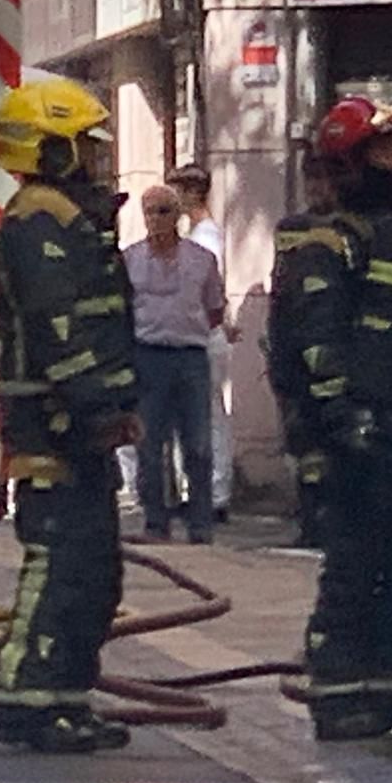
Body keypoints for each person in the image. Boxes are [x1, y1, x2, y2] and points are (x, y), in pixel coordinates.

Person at [0, 77, 141, 755]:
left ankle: (68, 699)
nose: (97, 160)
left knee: (94, 572)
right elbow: (57, 331)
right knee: (57, 564)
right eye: (86, 147)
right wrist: (93, 408)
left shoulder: (68, 218)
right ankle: (22, 699)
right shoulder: (37, 222)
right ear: (51, 150)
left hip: (83, 426)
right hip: (55, 426)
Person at [298, 96, 392, 742]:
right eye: (386, 150)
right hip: (353, 435)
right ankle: (336, 695)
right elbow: (315, 342)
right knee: (353, 568)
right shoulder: (326, 241)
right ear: (352, 161)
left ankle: (389, 689)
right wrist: (341, 417)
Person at [123, 184, 226, 544]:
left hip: (189, 357)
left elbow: (215, 309)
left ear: (178, 214)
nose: (156, 219)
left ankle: (200, 524)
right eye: (149, 211)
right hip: (147, 356)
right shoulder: (130, 259)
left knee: (197, 444)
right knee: (149, 445)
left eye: (164, 211)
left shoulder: (202, 259)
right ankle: (156, 522)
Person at [265, 151, 344, 549]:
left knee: (339, 443)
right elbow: (280, 292)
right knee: (305, 445)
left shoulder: (352, 228)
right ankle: (313, 521)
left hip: (333, 353)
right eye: (311, 180)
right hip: (293, 355)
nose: (316, 189)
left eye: (324, 180)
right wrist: (277, 353)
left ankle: (337, 521)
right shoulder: (290, 229)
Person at [165, 163, 234, 522]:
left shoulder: (204, 239)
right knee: (197, 417)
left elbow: (202, 293)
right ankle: (200, 490)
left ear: (192, 193)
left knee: (206, 418)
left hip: (202, 336)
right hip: (198, 334)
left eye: (175, 192)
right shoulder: (198, 237)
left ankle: (215, 492)